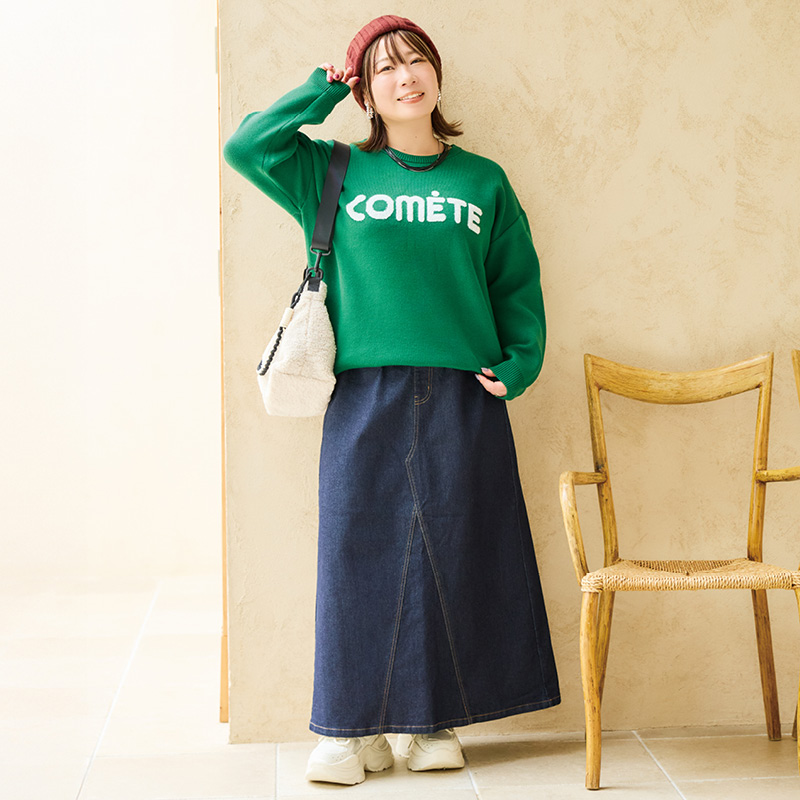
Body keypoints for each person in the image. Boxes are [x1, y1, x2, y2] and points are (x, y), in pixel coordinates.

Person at [223, 14, 560, 787]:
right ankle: (349, 731)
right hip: (364, 390)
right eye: (383, 69)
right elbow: (247, 147)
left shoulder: (483, 181)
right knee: (356, 555)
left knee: (455, 553)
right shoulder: (330, 170)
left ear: (436, 75)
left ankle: (429, 721)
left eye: (416, 62)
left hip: (463, 389)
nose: (405, 77)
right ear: (366, 92)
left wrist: (520, 363)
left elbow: (516, 282)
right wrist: (321, 89)